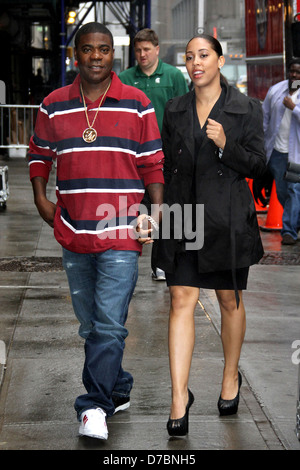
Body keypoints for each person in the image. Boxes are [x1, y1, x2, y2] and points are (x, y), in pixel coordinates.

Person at [28, 22, 164, 441]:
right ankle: (118, 385)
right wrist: (39, 196)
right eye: (88, 49)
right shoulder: (53, 105)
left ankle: (93, 407)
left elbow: (153, 165)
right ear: (75, 55)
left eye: (104, 49)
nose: (96, 56)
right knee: (91, 325)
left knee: (109, 324)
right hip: (73, 228)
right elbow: (38, 155)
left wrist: (154, 216)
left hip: (122, 231)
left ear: (113, 54)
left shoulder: (137, 103)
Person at [154, 34, 266, 436]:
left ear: (220, 60)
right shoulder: (175, 108)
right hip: (183, 215)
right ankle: (179, 397)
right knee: (180, 297)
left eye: (203, 56)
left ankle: (230, 377)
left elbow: (258, 166)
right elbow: (166, 167)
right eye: (189, 57)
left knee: (228, 301)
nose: (195, 63)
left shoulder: (245, 108)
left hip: (226, 219)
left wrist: (225, 144)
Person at [119, 28, 188, 281]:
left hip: (165, 156)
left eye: (147, 49)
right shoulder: (125, 78)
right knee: (134, 207)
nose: (142, 54)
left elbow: (184, 114)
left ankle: (160, 263)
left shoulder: (172, 76)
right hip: (133, 156)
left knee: (163, 208)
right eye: (138, 50)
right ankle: (127, 262)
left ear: (157, 49)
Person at [262, 59, 300, 245]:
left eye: (298, 73)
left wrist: (295, 109)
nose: (294, 75)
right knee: (282, 193)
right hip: (277, 151)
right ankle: (295, 221)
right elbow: (265, 118)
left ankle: (289, 231)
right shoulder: (276, 91)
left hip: (297, 154)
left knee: (294, 190)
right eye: (292, 71)